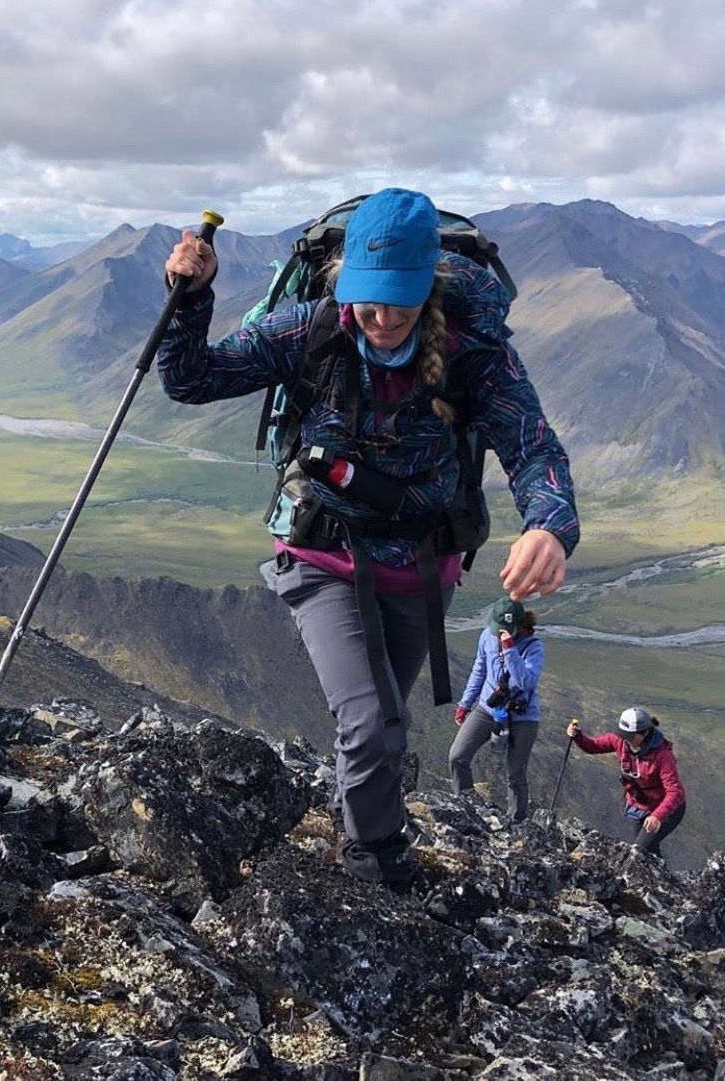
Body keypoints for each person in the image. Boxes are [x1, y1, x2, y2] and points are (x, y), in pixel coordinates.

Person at [159, 188, 579, 893]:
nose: (381, 318)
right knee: (373, 721)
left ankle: (367, 837)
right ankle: (372, 866)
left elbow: (534, 449)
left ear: (428, 289)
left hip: (421, 567)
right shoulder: (311, 329)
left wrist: (550, 525)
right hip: (323, 554)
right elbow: (191, 378)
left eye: (400, 302)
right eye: (368, 298)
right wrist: (192, 300)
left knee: (384, 721)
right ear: (346, 279)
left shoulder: (473, 350)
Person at [449, 597, 544, 823]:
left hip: (523, 717)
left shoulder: (534, 647)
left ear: (520, 625)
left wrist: (510, 649)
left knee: (516, 772)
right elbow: (479, 671)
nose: (498, 634)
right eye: (497, 628)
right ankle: (466, 806)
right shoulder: (486, 636)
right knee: (457, 756)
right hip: (488, 708)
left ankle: (516, 824)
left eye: (505, 630)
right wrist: (465, 703)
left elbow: (524, 681)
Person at [566, 709, 686, 857]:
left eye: (629, 735)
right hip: (638, 805)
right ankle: (661, 877)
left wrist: (658, 816)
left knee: (639, 850)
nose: (625, 739)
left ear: (645, 733)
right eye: (623, 733)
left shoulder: (663, 755)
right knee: (648, 849)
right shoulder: (620, 740)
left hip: (666, 809)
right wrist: (577, 736)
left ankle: (658, 877)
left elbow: (675, 792)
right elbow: (593, 746)